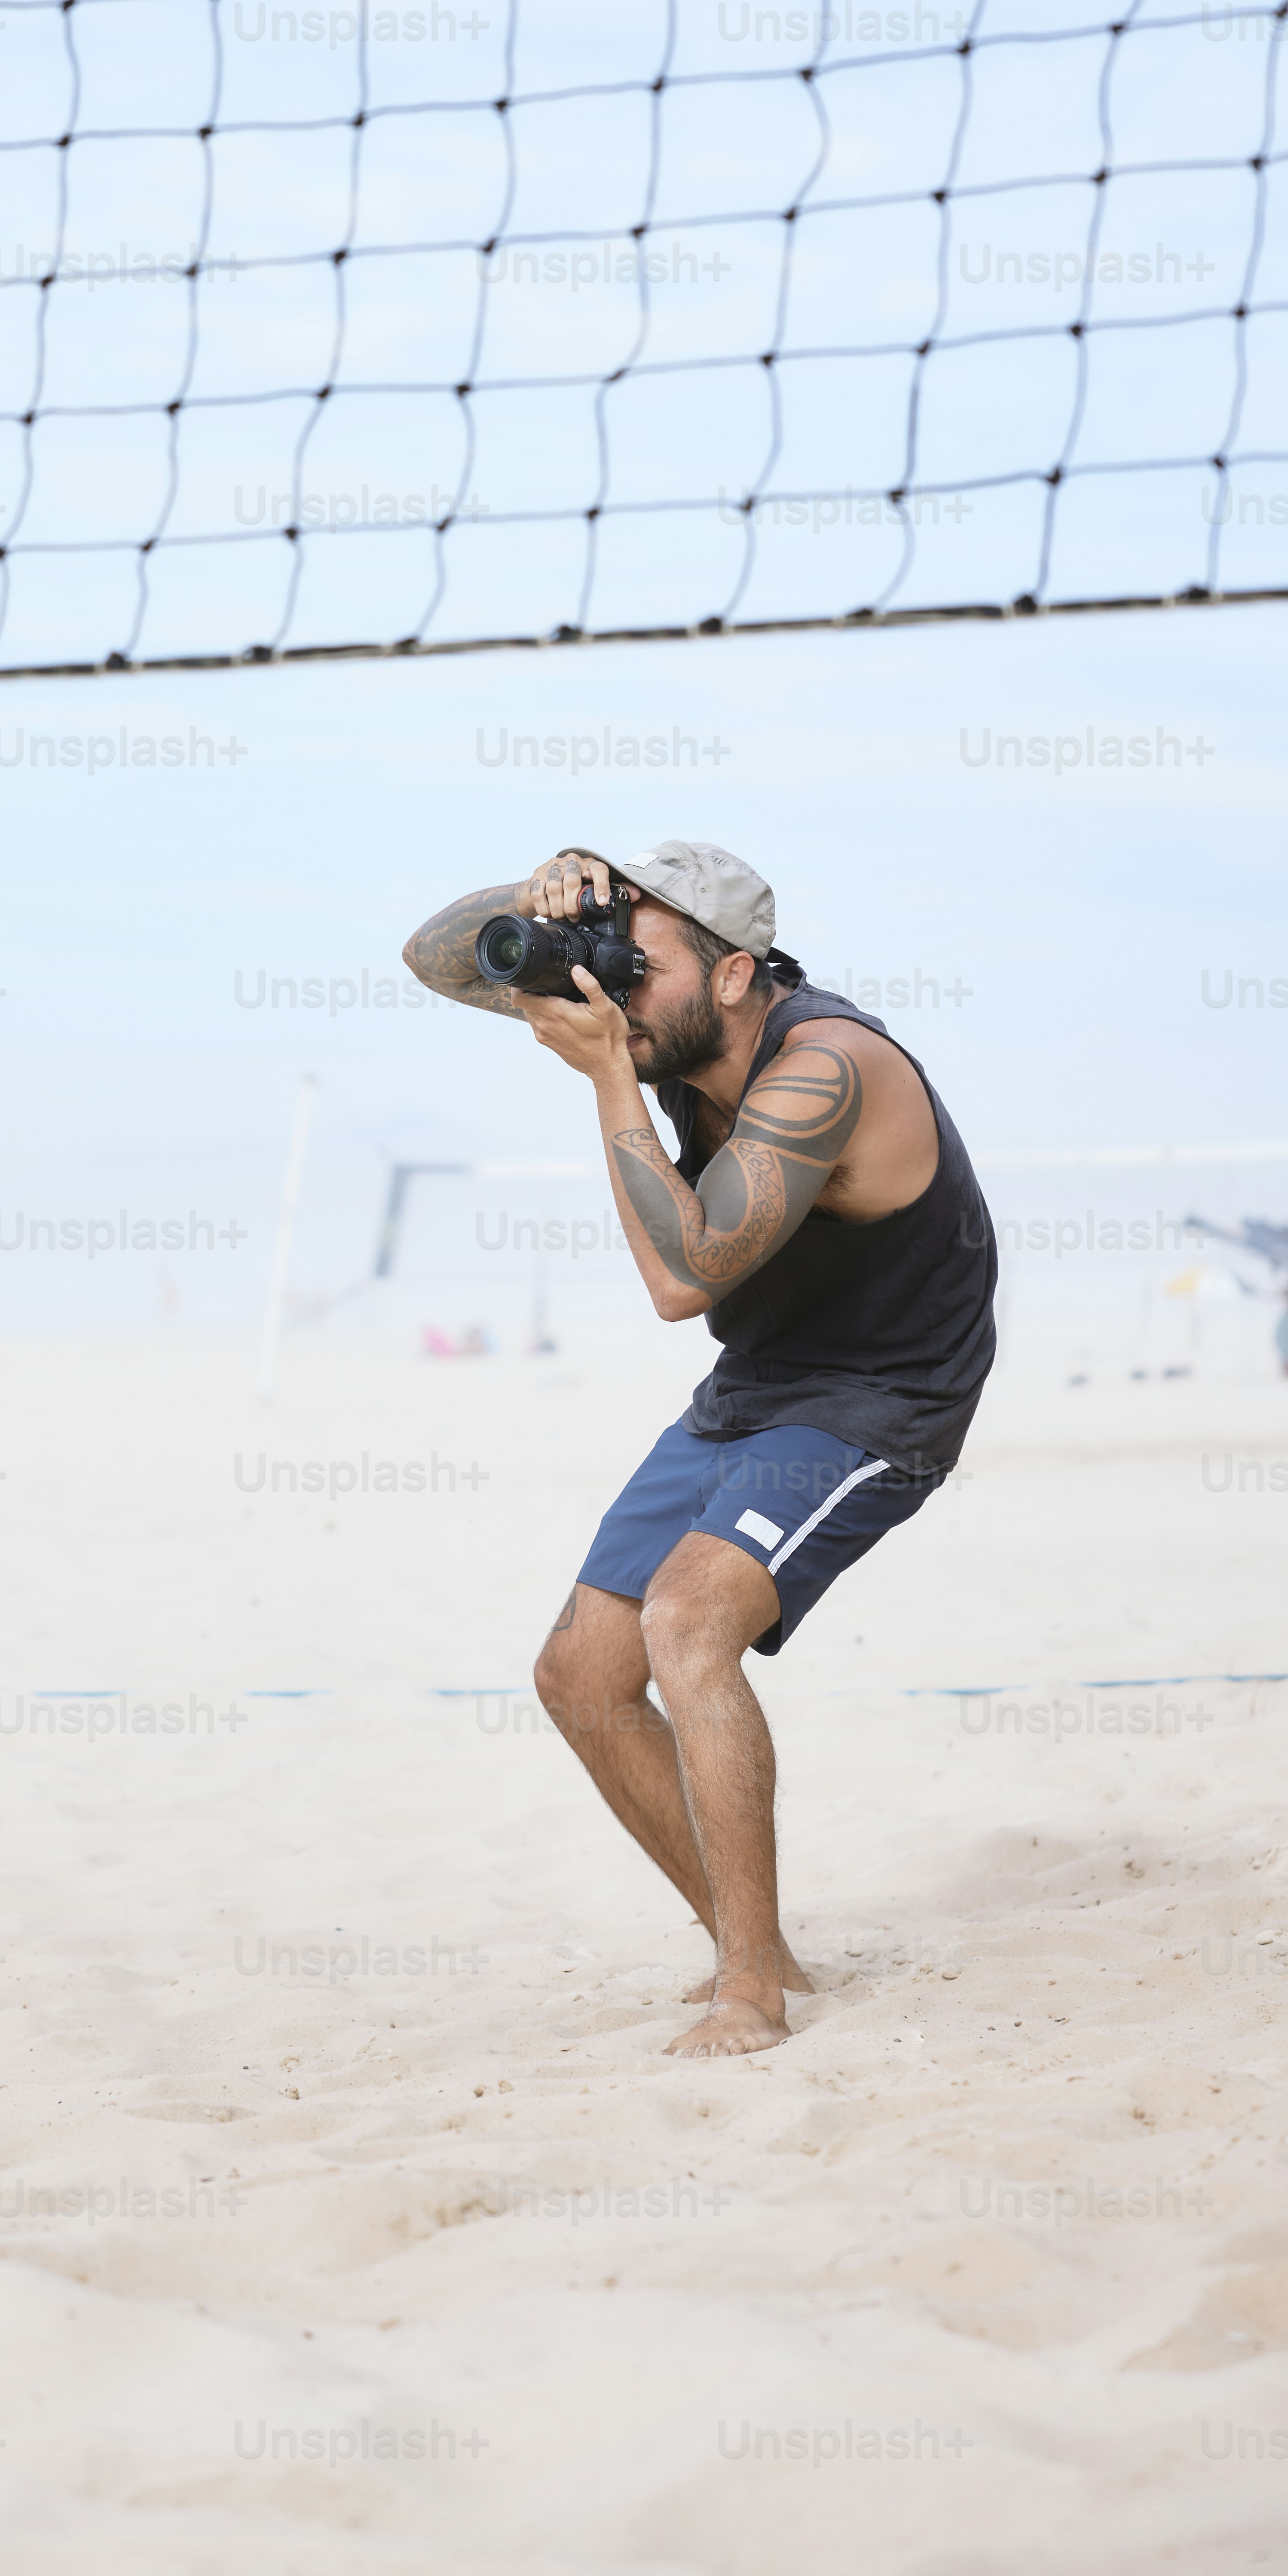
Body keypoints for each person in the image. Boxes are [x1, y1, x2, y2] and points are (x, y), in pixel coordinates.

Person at [404, 840, 996, 2059]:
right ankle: (755, 1941)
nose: (615, 989)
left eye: (643, 965)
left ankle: (750, 1994)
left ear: (734, 976)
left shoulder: (824, 1066)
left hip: (883, 1395)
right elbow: (437, 958)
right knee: (578, 1676)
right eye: (610, 961)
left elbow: (684, 1280)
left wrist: (606, 1082)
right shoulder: (668, 1032)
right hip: (756, 1384)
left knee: (686, 1620)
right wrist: (548, 901)